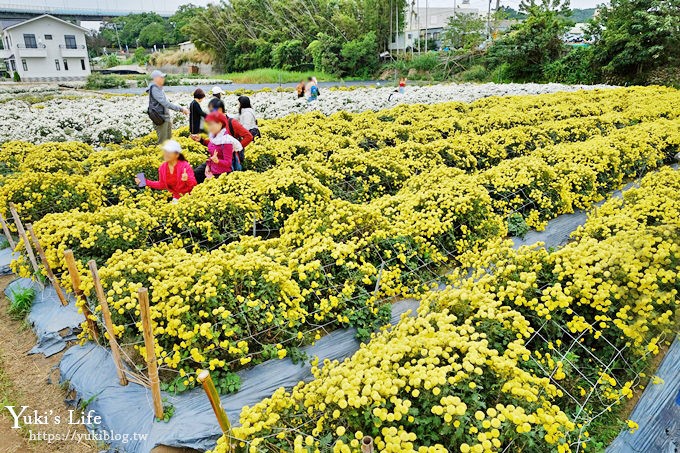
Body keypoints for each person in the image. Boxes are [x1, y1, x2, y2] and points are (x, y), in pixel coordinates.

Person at [192, 112, 243, 179]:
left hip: (223, 176)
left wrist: (218, 161)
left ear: (220, 124)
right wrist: (209, 165)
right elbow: (213, 151)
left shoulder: (226, 140)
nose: (209, 127)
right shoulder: (214, 137)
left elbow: (228, 163)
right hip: (213, 171)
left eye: (211, 125)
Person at [147, 70, 189, 144]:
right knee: (162, 143)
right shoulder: (154, 89)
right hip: (160, 118)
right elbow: (165, 103)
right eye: (161, 77)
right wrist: (181, 109)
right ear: (156, 79)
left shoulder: (158, 88)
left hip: (164, 118)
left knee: (168, 142)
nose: (163, 79)